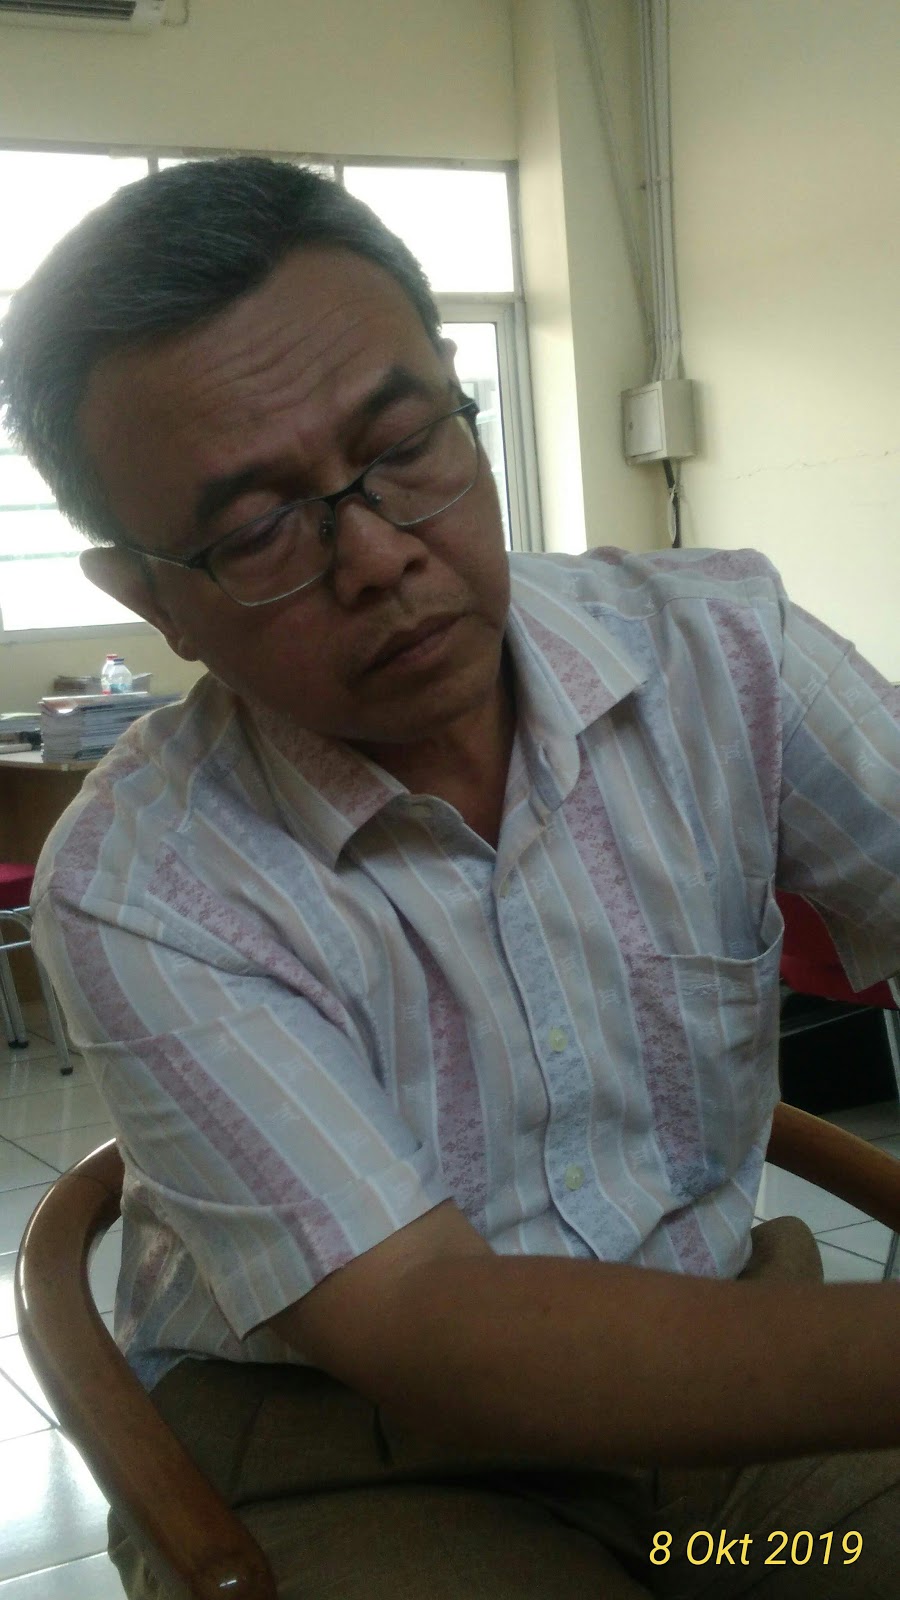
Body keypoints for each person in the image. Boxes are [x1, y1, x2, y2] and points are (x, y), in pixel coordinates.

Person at [1, 156, 899, 1599]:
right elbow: (426, 1320)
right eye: (257, 530)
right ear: (150, 596)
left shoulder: (721, 651)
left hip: (730, 1421)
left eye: (406, 445)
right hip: (363, 1453)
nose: (376, 556)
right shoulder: (141, 878)